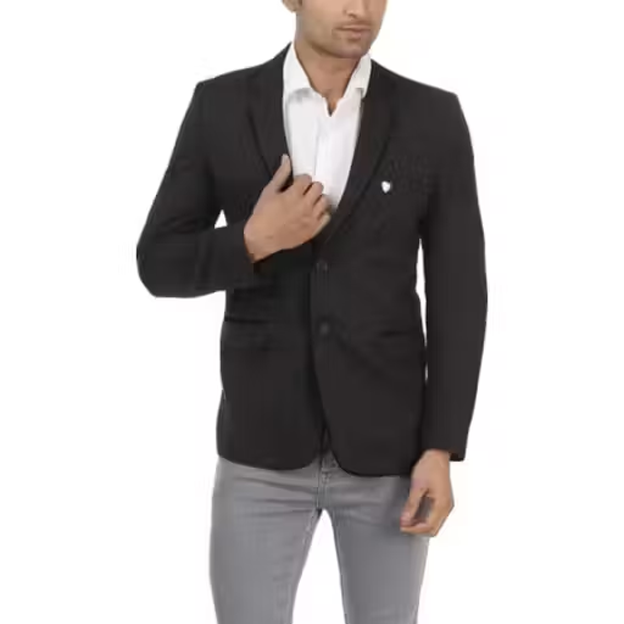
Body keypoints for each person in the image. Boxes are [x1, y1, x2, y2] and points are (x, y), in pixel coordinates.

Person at [135, 0, 488, 621]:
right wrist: (251, 240)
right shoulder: (221, 105)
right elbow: (157, 262)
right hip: (259, 448)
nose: (360, 9)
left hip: (390, 456)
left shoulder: (432, 117)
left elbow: (460, 294)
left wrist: (442, 446)